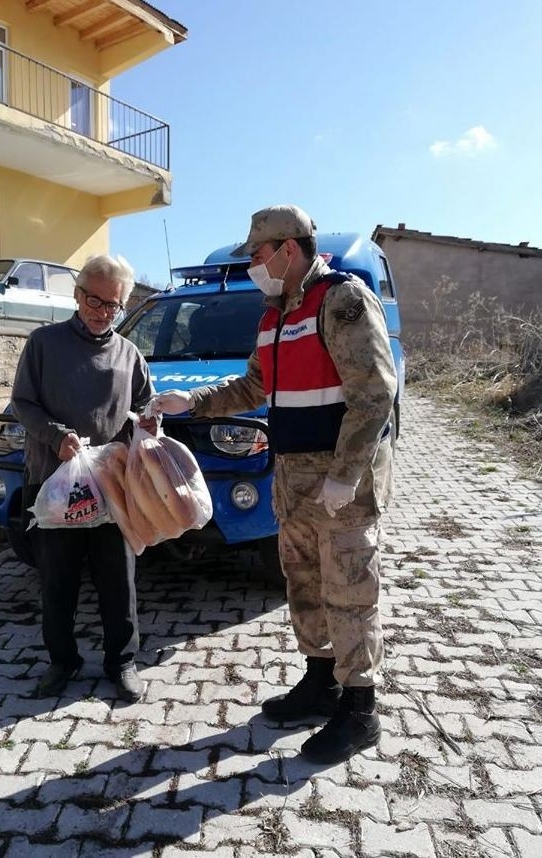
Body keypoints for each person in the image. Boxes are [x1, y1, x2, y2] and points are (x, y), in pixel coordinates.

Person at [152, 205, 397, 764]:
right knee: (304, 584)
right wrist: (192, 401)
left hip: (341, 486)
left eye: (257, 256)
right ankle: (321, 682)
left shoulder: (343, 300)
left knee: (350, 591)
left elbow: (375, 394)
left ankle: (361, 710)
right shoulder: (275, 314)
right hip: (292, 479)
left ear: (289, 248)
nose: (252, 266)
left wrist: (345, 475)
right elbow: (254, 386)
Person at [11, 253, 158, 703]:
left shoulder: (129, 354)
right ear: (76, 295)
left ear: (123, 305)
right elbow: (22, 403)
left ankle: (122, 662)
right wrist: (55, 437)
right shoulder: (43, 344)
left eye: (112, 305)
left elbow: (143, 410)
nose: (101, 311)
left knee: (119, 580)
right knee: (58, 581)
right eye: (93, 300)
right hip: (54, 484)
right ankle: (62, 662)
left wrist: (148, 428)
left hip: (111, 486)